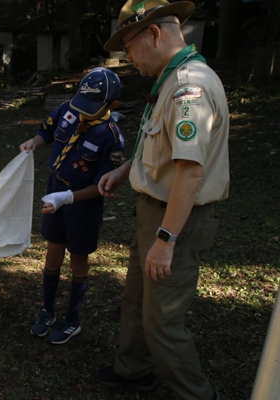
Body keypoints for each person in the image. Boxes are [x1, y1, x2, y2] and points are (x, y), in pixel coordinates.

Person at [95, 1, 229, 399]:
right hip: (152, 212)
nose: (127, 57)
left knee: (163, 323)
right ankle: (133, 369)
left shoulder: (191, 86)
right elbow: (164, 146)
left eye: (129, 46)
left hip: (176, 221)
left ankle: (198, 394)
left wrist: (166, 239)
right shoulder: (168, 79)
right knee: (136, 300)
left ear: (154, 34)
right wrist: (127, 171)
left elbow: (190, 171)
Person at [19, 68, 125, 344]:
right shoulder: (69, 109)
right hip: (54, 191)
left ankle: (72, 318)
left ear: (112, 105)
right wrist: (35, 141)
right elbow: (48, 130)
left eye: (91, 108)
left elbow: (104, 185)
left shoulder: (111, 137)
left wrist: (67, 198)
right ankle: (47, 311)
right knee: (52, 254)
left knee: (78, 259)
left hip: (83, 204)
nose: (83, 112)